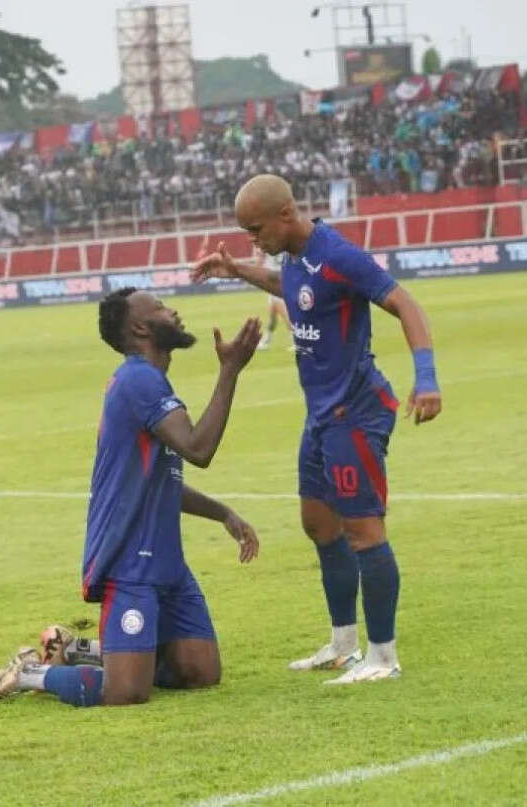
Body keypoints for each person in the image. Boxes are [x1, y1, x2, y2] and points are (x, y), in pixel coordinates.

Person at [191, 174, 442, 684]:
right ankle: (344, 646)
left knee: (363, 531)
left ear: (286, 215)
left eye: (256, 230)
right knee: (319, 526)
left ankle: (383, 656)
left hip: (355, 412)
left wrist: (428, 378)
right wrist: (238, 268)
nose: (252, 240)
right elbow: (294, 288)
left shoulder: (339, 255)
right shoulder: (296, 259)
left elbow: (405, 304)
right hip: (322, 416)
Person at [0, 289, 262, 707]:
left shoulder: (148, 380)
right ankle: (32, 672)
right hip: (131, 559)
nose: (173, 311)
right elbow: (198, 449)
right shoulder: (139, 380)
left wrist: (223, 513)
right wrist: (230, 370)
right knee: (125, 691)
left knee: (200, 672)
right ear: (141, 328)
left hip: (165, 558)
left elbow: (159, 480)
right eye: (161, 307)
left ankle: (77, 651)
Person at [257, 252, 292, 350]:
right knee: (273, 316)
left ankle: (297, 341)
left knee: (285, 314)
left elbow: (260, 258)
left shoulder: (268, 242)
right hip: (279, 277)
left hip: (274, 279)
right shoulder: (282, 244)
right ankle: (266, 341)